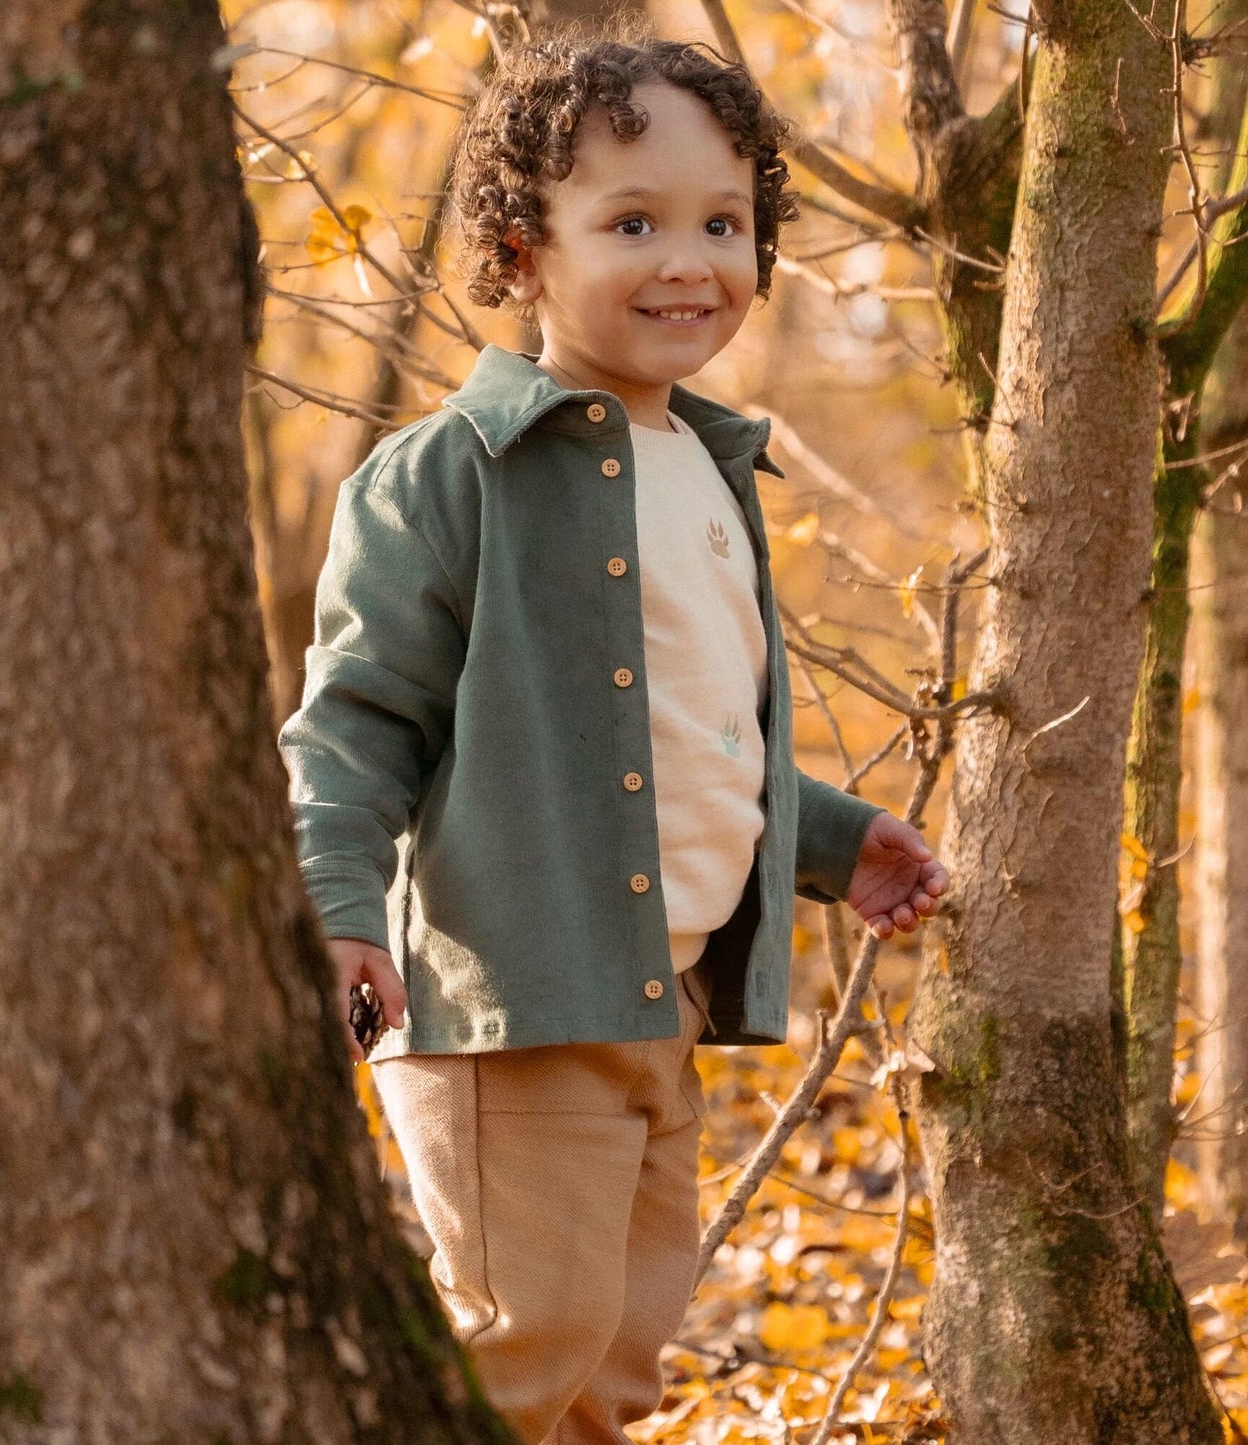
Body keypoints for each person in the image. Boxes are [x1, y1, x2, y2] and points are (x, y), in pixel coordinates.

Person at [278, 21, 948, 1445]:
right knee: (526, 1343)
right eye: (629, 221)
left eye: (723, 220)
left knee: (615, 1366)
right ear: (522, 251)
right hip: (507, 999)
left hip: (660, 995)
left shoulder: (707, 467)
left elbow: (689, 736)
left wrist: (836, 841)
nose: (688, 260)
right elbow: (352, 720)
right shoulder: (449, 474)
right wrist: (338, 909)